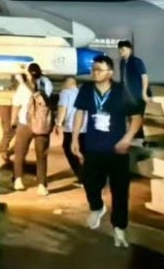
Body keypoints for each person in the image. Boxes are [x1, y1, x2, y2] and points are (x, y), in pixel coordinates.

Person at [71, 54, 143, 248]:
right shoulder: (86, 89)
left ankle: (119, 228)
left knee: (120, 191)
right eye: (93, 69)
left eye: (99, 70)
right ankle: (97, 207)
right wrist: (75, 138)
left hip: (117, 149)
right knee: (89, 182)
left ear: (110, 73)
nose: (95, 73)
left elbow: (137, 117)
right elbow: (79, 113)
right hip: (93, 147)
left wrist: (127, 138)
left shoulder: (122, 91)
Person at [12, 63, 53, 195]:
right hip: (42, 124)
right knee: (41, 156)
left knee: (20, 153)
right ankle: (42, 185)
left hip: (25, 123)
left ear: (29, 74)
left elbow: (16, 104)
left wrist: (13, 121)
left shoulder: (23, 87)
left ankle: (18, 180)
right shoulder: (47, 84)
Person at [54, 76, 86, 183]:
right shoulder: (82, 93)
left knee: (69, 148)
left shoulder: (65, 93)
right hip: (85, 128)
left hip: (71, 128)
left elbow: (62, 108)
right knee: (82, 150)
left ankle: (82, 176)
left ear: (67, 84)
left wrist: (58, 123)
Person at [118, 40, 149, 144]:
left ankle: (139, 139)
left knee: (137, 117)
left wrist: (144, 93)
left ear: (129, 50)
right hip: (126, 95)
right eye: (119, 49)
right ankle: (130, 138)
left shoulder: (136, 61)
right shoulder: (122, 62)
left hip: (137, 95)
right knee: (128, 117)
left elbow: (144, 77)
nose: (121, 51)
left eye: (123, 49)